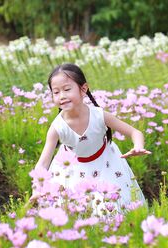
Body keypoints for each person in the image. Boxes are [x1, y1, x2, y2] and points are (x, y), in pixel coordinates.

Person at [33, 63, 151, 212]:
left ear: (83, 89)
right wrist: (38, 188)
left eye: (67, 89)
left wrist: (138, 146)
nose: (61, 96)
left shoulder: (98, 115)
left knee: (115, 205)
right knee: (80, 210)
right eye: (55, 92)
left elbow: (135, 133)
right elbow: (42, 163)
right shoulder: (57, 127)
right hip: (74, 170)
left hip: (107, 163)